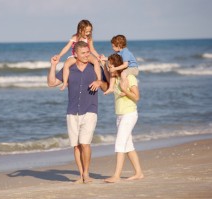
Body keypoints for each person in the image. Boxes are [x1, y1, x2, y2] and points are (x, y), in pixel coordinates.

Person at [48, 41, 108, 183]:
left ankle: (86, 174)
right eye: (84, 53)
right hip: (72, 111)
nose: (87, 55)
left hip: (90, 110)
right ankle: (81, 175)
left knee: (85, 143)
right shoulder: (69, 68)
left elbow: (106, 87)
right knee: (76, 145)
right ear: (75, 54)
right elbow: (51, 83)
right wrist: (53, 65)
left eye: (88, 52)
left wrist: (100, 83)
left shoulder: (95, 67)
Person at [103, 53, 144, 183]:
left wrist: (125, 90)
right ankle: (139, 173)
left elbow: (137, 97)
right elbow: (106, 70)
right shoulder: (114, 79)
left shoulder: (129, 77)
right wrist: (103, 61)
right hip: (120, 115)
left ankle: (116, 176)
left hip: (129, 114)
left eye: (111, 67)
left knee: (120, 144)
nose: (109, 69)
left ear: (117, 66)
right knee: (128, 145)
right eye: (108, 67)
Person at [54, 19, 102, 91]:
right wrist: (59, 55)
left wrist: (98, 56)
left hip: (86, 55)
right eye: (86, 31)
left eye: (90, 31)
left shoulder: (89, 38)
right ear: (80, 30)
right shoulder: (75, 37)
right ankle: (65, 83)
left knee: (95, 61)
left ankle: (99, 79)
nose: (88, 33)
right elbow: (67, 47)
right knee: (66, 64)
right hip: (75, 56)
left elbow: (92, 49)